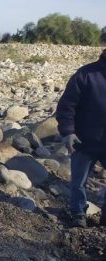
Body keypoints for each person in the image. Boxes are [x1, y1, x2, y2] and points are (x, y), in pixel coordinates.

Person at [56, 31, 106, 228]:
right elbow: (67, 106)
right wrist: (68, 132)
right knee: (78, 182)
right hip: (84, 141)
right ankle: (78, 213)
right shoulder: (85, 74)